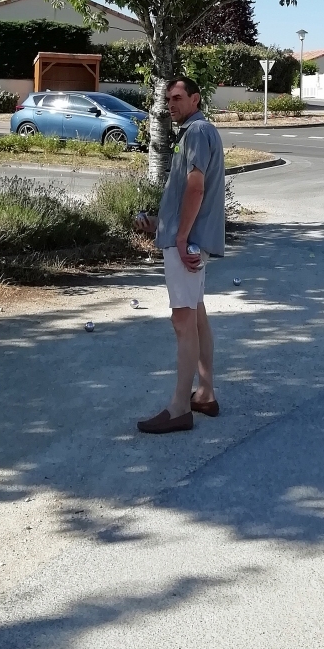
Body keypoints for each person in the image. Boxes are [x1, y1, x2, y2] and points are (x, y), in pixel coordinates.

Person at [135, 75, 225, 434]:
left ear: (195, 99)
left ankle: (178, 408)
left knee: (182, 321)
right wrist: (161, 224)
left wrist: (181, 235)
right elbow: (186, 195)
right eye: (168, 99)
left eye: (177, 97)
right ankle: (204, 393)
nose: (171, 104)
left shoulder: (197, 132)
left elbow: (196, 187)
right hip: (187, 240)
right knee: (196, 316)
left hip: (186, 245)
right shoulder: (197, 132)